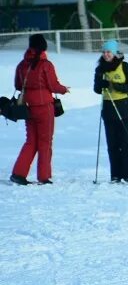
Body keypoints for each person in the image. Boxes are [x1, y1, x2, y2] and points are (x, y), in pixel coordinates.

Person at [9, 33, 70, 185]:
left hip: (27, 108)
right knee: (45, 142)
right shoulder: (45, 65)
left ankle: (18, 173)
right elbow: (53, 85)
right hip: (44, 107)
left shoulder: (22, 65)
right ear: (43, 47)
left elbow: (17, 85)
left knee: (31, 141)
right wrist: (64, 89)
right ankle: (44, 176)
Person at [92, 40, 128, 183]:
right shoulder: (100, 69)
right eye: (104, 52)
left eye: (109, 52)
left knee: (125, 142)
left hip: (123, 107)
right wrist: (101, 84)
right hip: (108, 107)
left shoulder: (124, 66)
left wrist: (114, 85)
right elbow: (97, 90)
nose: (106, 55)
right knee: (112, 144)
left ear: (115, 53)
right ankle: (115, 174)